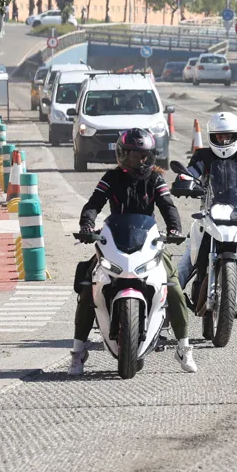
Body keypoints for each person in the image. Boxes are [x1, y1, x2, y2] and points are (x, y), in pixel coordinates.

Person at [70, 128, 196, 375]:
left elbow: (167, 206)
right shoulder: (111, 178)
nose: (140, 160)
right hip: (114, 243)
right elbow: (94, 203)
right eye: (134, 155)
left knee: (174, 289)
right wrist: (86, 224)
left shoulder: (156, 180)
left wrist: (174, 229)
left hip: (148, 245)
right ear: (122, 155)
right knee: (88, 287)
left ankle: (184, 347)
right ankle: (78, 351)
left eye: (144, 155)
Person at [180, 112, 237, 310]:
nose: (224, 140)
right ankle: (171, 296)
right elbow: (191, 172)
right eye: (219, 136)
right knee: (188, 257)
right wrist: (184, 181)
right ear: (212, 136)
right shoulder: (202, 156)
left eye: (228, 136)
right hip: (209, 213)